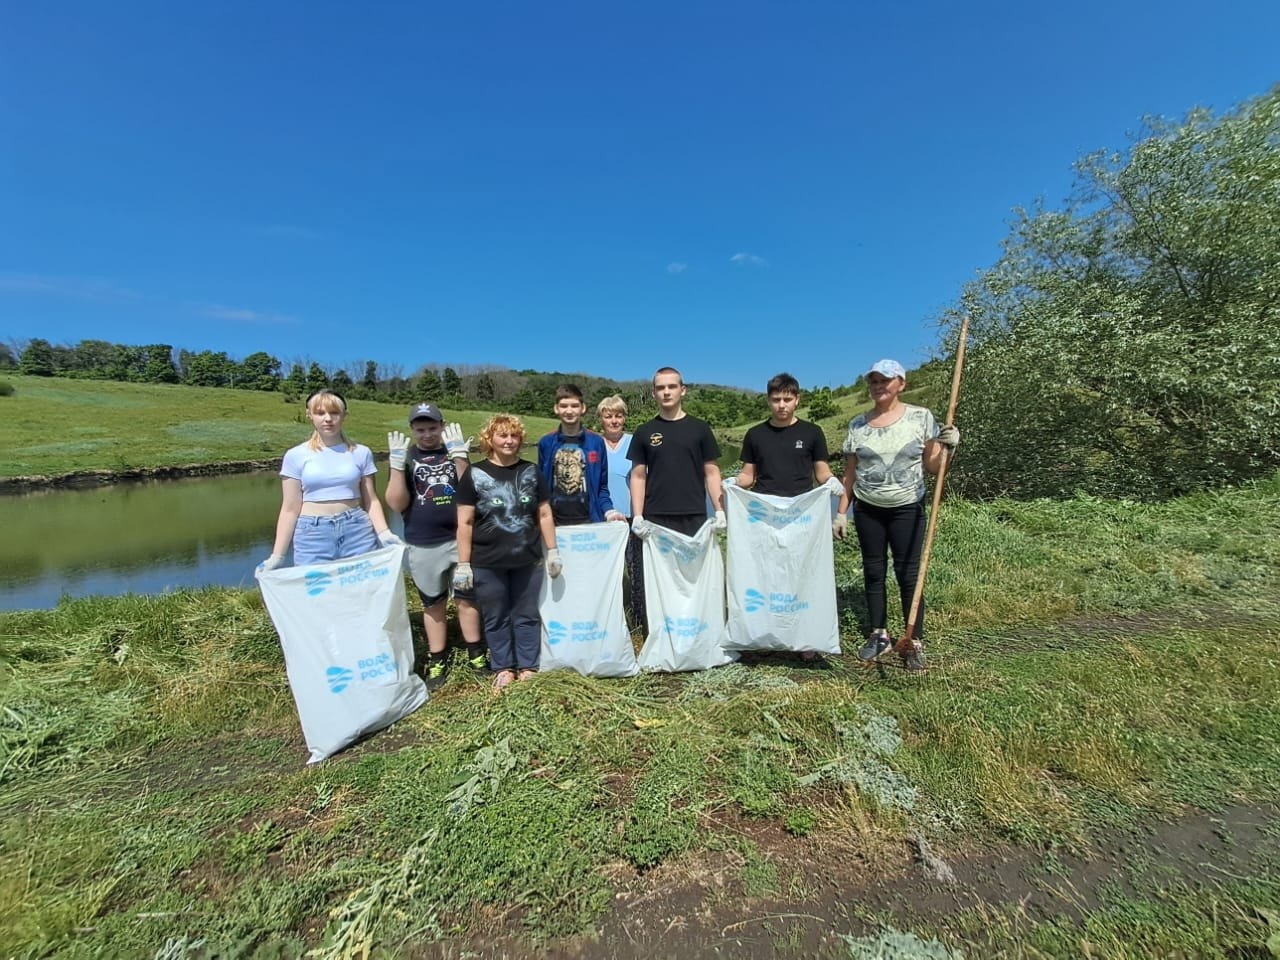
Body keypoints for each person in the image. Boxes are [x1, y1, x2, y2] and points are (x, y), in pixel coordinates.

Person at [839, 359, 959, 671]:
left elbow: (934, 467)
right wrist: (841, 512)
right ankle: (879, 634)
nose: (878, 386)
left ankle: (913, 640)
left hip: (907, 506)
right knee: (874, 572)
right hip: (867, 508)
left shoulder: (920, 418)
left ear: (901, 384)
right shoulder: (857, 425)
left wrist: (949, 447)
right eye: (874, 381)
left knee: (908, 573)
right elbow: (850, 474)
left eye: (885, 381)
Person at [731, 372, 845, 659]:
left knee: (802, 572)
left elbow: (821, 472)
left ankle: (807, 640)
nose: (781, 405)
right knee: (764, 572)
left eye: (787, 399)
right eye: (776, 399)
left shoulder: (812, 432)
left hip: (802, 515)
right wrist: (731, 483)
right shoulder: (755, 434)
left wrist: (832, 482)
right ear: (768, 400)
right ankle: (760, 634)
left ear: (797, 400)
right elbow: (748, 476)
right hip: (764, 515)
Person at [452, 414, 561, 692]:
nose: (509, 441)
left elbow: (545, 513)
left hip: (527, 559)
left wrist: (552, 550)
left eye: (514, 436)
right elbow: (464, 522)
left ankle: (528, 666)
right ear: (490, 439)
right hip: (487, 561)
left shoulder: (531, 471)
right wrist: (463, 564)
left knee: (526, 614)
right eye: (502, 435)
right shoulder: (473, 475)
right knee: (496, 615)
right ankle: (503, 667)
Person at [385, 402, 485, 691]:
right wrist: (394, 466)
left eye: (432, 427)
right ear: (412, 430)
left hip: (460, 539)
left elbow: (470, 492)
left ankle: (475, 653)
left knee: (467, 598)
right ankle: (437, 658)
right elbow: (396, 503)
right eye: (421, 429)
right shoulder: (407, 457)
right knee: (433, 604)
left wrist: (461, 457)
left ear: (442, 426)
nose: (427, 434)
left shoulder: (451, 451)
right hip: (423, 542)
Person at [258, 389, 400, 572]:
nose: (328, 419)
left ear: (344, 415)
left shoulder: (361, 452)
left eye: (334, 413)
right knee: (316, 594)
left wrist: (384, 532)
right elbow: (290, 508)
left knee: (361, 592)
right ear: (310, 415)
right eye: (320, 413)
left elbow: (371, 500)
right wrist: (277, 556)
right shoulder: (295, 455)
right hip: (312, 534)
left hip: (357, 530)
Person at [628, 367, 724, 539]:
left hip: (694, 514)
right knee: (658, 567)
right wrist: (637, 515)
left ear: (683, 390)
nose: (666, 392)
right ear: (653, 393)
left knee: (693, 566)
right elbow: (638, 476)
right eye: (660, 388)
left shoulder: (700, 429)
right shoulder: (643, 431)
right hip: (655, 516)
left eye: (672, 387)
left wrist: (719, 510)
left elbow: (711, 472)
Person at [536, 383, 625, 526]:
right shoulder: (546, 443)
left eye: (574, 406)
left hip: (590, 521)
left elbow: (602, 487)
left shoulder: (596, 442)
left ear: (583, 408)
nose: (569, 411)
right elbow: (540, 487)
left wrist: (609, 511)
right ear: (556, 408)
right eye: (564, 406)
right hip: (554, 523)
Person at [598, 394, 645, 629]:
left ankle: (638, 618)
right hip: (604, 517)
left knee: (636, 568)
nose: (614, 421)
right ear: (601, 419)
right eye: (609, 416)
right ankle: (609, 618)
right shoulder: (595, 444)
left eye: (618, 416)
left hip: (631, 515)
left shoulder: (634, 441)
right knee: (608, 571)